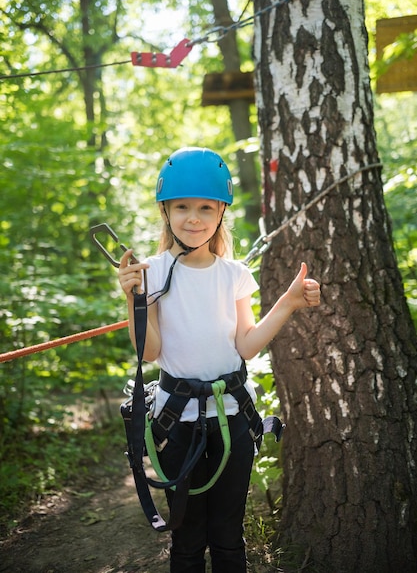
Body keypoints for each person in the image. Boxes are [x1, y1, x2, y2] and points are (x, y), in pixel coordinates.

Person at [118, 147, 320, 573]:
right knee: (187, 538)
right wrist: (133, 301)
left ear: (221, 212)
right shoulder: (151, 273)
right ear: (166, 212)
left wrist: (286, 302)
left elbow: (245, 346)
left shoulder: (233, 275)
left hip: (233, 416)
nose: (193, 218)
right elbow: (150, 351)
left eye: (205, 207)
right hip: (178, 419)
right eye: (182, 207)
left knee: (228, 536)